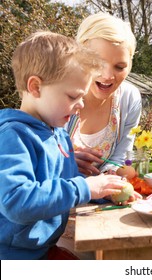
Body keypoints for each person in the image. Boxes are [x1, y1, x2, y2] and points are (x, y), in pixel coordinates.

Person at [0, 31, 137, 260]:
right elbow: (16, 201)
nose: (80, 105)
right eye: (73, 96)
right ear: (35, 87)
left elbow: (66, 187)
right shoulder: (13, 137)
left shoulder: (59, 135)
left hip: (42, 250)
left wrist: (104, 191)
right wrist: (86, 188)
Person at [66, 13, 142, 176]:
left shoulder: (129, 99)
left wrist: (113, 175)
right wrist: (64, 161)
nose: (108, 75)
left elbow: (119, 158)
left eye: (119, 67)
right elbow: (34, 155)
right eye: (98, 63)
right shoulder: (59, 95)